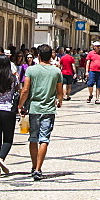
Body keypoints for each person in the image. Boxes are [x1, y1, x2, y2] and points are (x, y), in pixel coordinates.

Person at [18, 44, 63, 181]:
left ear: (38, 56)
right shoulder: (56, 72)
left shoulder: (31, 70)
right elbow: (60, 93)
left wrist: (20, 105)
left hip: (34, 108)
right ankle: (38, 169)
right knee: (44, 139)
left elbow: (25, 90)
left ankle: (33, 166)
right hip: (48, 109)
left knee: (33, 138)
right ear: (51, 56)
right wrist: (59, 101)